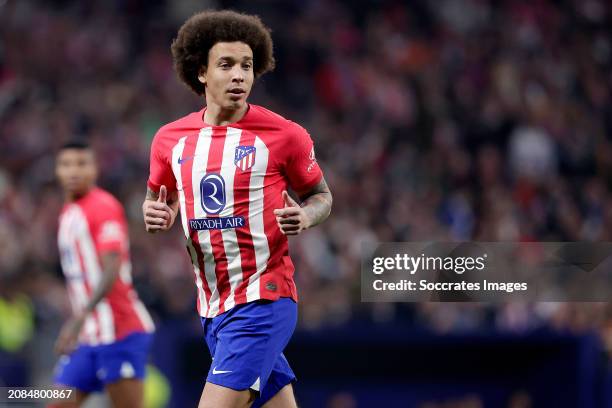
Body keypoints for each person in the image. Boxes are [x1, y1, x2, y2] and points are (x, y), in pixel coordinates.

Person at [142, 10, 333, 408]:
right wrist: (157, 213)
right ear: (200, 72)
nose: (240, 76)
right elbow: (159, 198)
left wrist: (306, 215)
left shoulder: (286, 135)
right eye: (226, 65)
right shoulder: (169, 140)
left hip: (263, 300)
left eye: (247, 65)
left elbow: (321, 195)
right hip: (213, 307)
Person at [53, 142, 155, 408]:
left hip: (120, 332)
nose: (74, 171)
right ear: (57, 170)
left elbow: (111, 267)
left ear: (95, 169)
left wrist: (78, 318)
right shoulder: (68, 212)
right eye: (66, 164)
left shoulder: (103, 207)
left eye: (81, 164)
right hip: (89, 337)